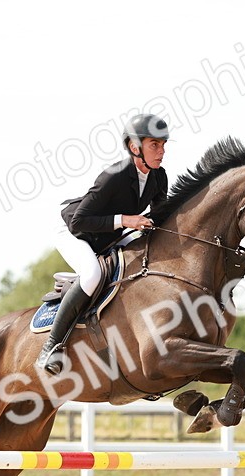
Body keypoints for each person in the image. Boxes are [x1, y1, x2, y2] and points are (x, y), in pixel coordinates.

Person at [36, 113, 170, 374]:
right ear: (134, 147)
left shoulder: (158, 177)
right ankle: (50, 347)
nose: (162, 151)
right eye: (155, 144)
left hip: (110, 234)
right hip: (73, 230)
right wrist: (125, 220)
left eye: (164, 145)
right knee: (92, 275)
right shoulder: (115, 176)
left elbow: (160, 216)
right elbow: (78, 221)